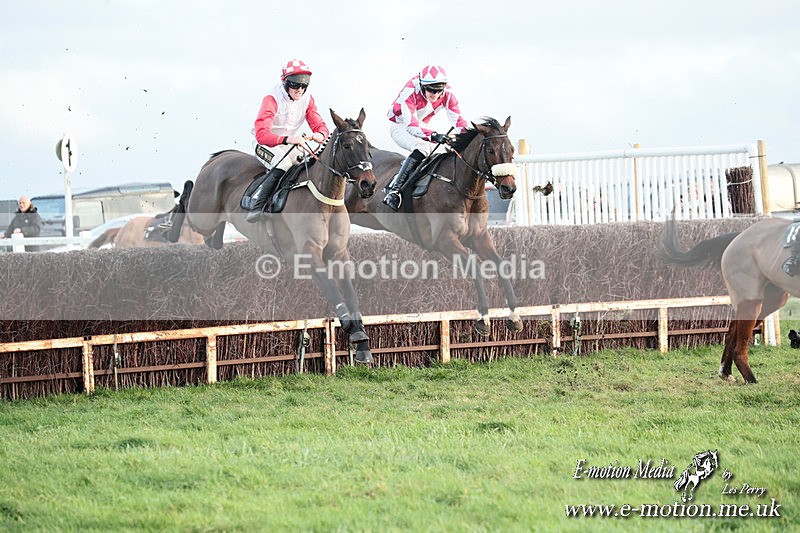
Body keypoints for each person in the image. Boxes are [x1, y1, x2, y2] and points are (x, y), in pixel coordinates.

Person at [247, 58, 330, 222]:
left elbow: (320, 125)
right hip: (265, 143)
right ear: (284, 82)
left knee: (306, 165)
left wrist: (320, 135)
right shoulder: (272, 99)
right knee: (284, 164)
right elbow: (262, 135)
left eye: (304, 85)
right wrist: (289, 139)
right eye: (295, 84)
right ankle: (258, 205)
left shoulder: (308, 99)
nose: (300, 89)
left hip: (290, 143)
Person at [383, 64, 470, 210]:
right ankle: (395, 191)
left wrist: (469, 136)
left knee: (444, 151)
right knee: (422, 147)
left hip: (422, 126)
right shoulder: (410, 92)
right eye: (430, 89)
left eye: (438, 89)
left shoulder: (448, 95)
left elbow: (459, 122)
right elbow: (411, 126)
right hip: (401, 126)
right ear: (422, 85)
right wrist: (434, 136)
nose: (435, 94)